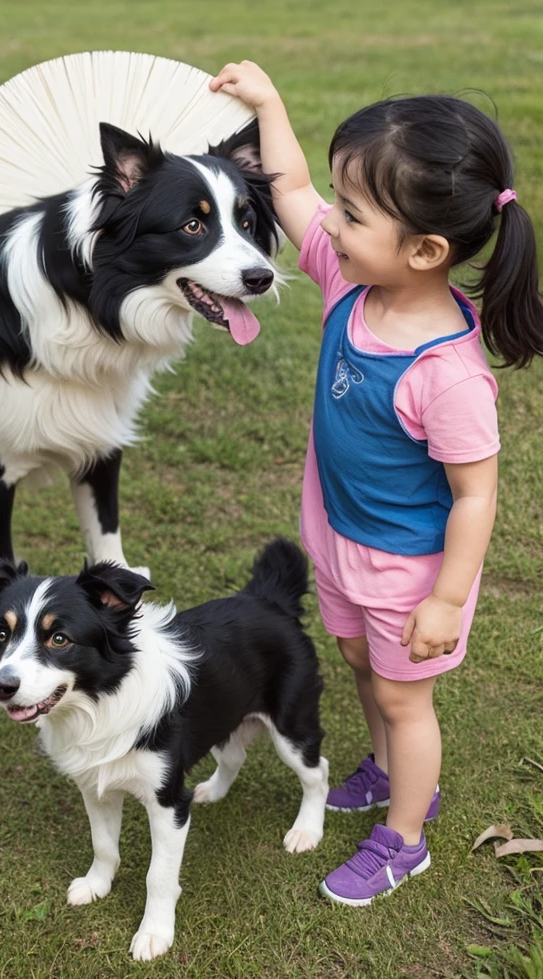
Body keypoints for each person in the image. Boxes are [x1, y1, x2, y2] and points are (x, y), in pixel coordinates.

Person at [209, 61, 543, 905]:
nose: (329, 222)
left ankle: (404, 836)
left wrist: (446, 598)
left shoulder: (450, 376)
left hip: (409, 569)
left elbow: (476, 495)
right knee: (358, 662)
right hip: (337, 533)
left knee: (404, 697)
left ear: (425, 250)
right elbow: (283, 186)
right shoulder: (354, 281)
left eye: (351, 212)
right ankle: (386, 770)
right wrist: (270, 103)